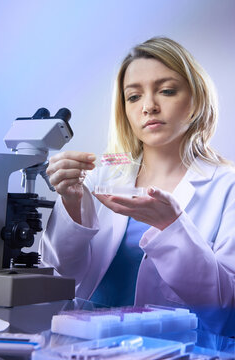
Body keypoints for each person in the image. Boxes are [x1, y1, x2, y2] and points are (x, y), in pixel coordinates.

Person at [40, 37, 235, 335]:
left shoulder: (227, 187)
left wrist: (172, 226)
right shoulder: (99, 179)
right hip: (87, 345)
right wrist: (70, 204)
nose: (148, 107)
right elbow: (58, 276)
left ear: (196, 101)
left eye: (167, 91)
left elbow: (225, 307)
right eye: (133, 97)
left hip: (177, 349)